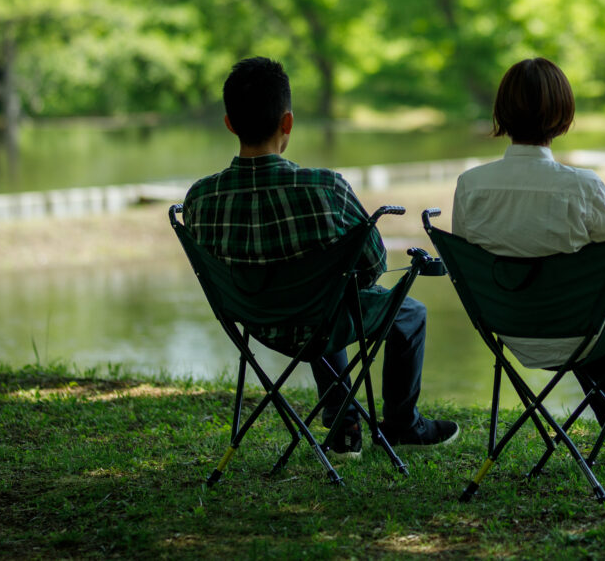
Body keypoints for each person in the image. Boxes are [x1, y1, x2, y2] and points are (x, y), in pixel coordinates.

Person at [182, 56, 458, 457]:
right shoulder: (324, 186)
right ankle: (402, 424)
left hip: (254, 321)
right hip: (315, 320)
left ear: (229, 123)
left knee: (323, 296)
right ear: (288, 122)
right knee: (402, 310)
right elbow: (373, 266)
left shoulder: (200, 198)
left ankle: (345, 427)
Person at [451, 56, 605, 472]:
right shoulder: (581, 186)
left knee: (595, 315)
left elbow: (468, 265)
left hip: (509, 332)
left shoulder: (469, 186)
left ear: (502, 112)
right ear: (562, 115)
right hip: (574, 333)